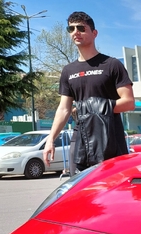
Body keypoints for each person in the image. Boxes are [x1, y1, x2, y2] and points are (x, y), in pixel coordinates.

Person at [43, 11, 135, 172]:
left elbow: (129, 102)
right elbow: (64, 108)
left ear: (94, 33)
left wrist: (93, 107)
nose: (75, 32)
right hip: (81, 140)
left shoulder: (111, 65)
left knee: (112, 193)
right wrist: (50, 139)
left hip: (110, 138)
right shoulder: (68, 70)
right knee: (79, 192)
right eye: (71, 29)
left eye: (81, 28)